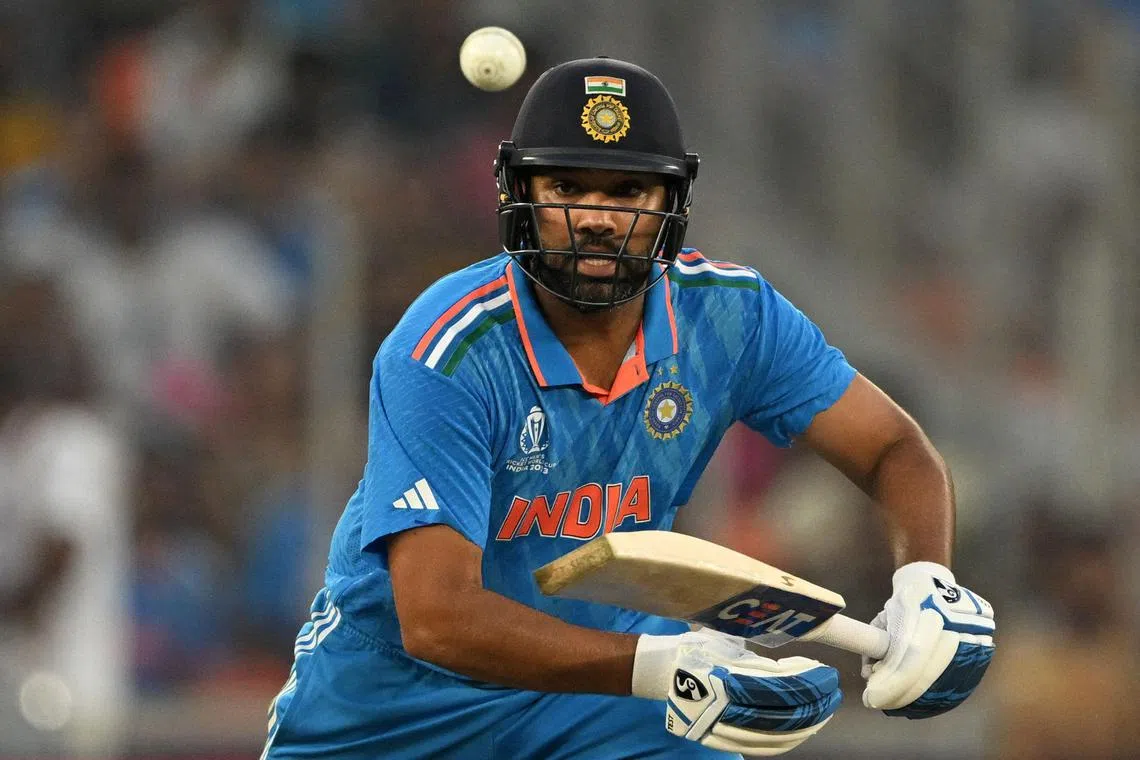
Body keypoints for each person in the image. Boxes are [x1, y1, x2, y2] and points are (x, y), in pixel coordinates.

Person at [262, 57, 995, 759]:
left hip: (598, 691)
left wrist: (925, 580)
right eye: (567, 187)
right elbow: (438, 618)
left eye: (627, 192)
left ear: (671, 203)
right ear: (518, 193)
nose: (596, 219)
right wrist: (661, 667)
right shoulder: (448, 347)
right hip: (395, 702)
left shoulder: (735, 317)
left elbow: (893, 449)